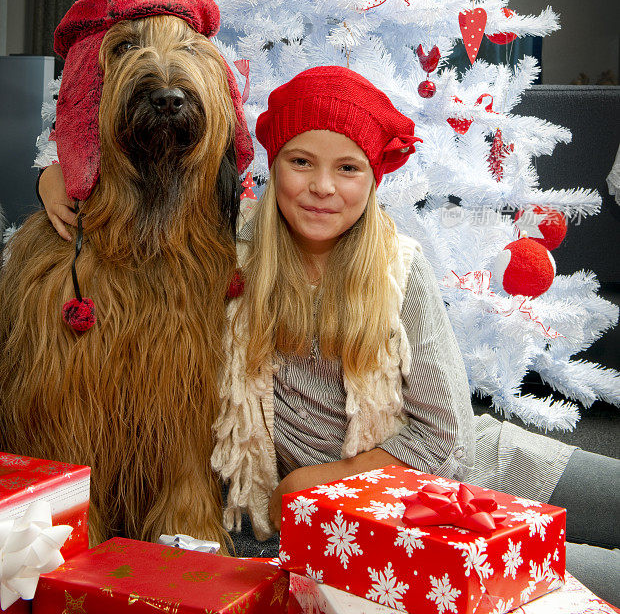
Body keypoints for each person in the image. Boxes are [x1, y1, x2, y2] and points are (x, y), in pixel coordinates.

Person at [39, 66, 619, 603]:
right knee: (592, 577)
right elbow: (139, 167)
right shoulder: (225, 250)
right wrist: (51, 170)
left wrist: (319, 479)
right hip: (403, 524)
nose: (322, 187)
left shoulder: (398, 265)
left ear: (373, 178)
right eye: (300, 162)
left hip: (473, 462)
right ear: (274, 163)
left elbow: (446, 437)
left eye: (347, 168)